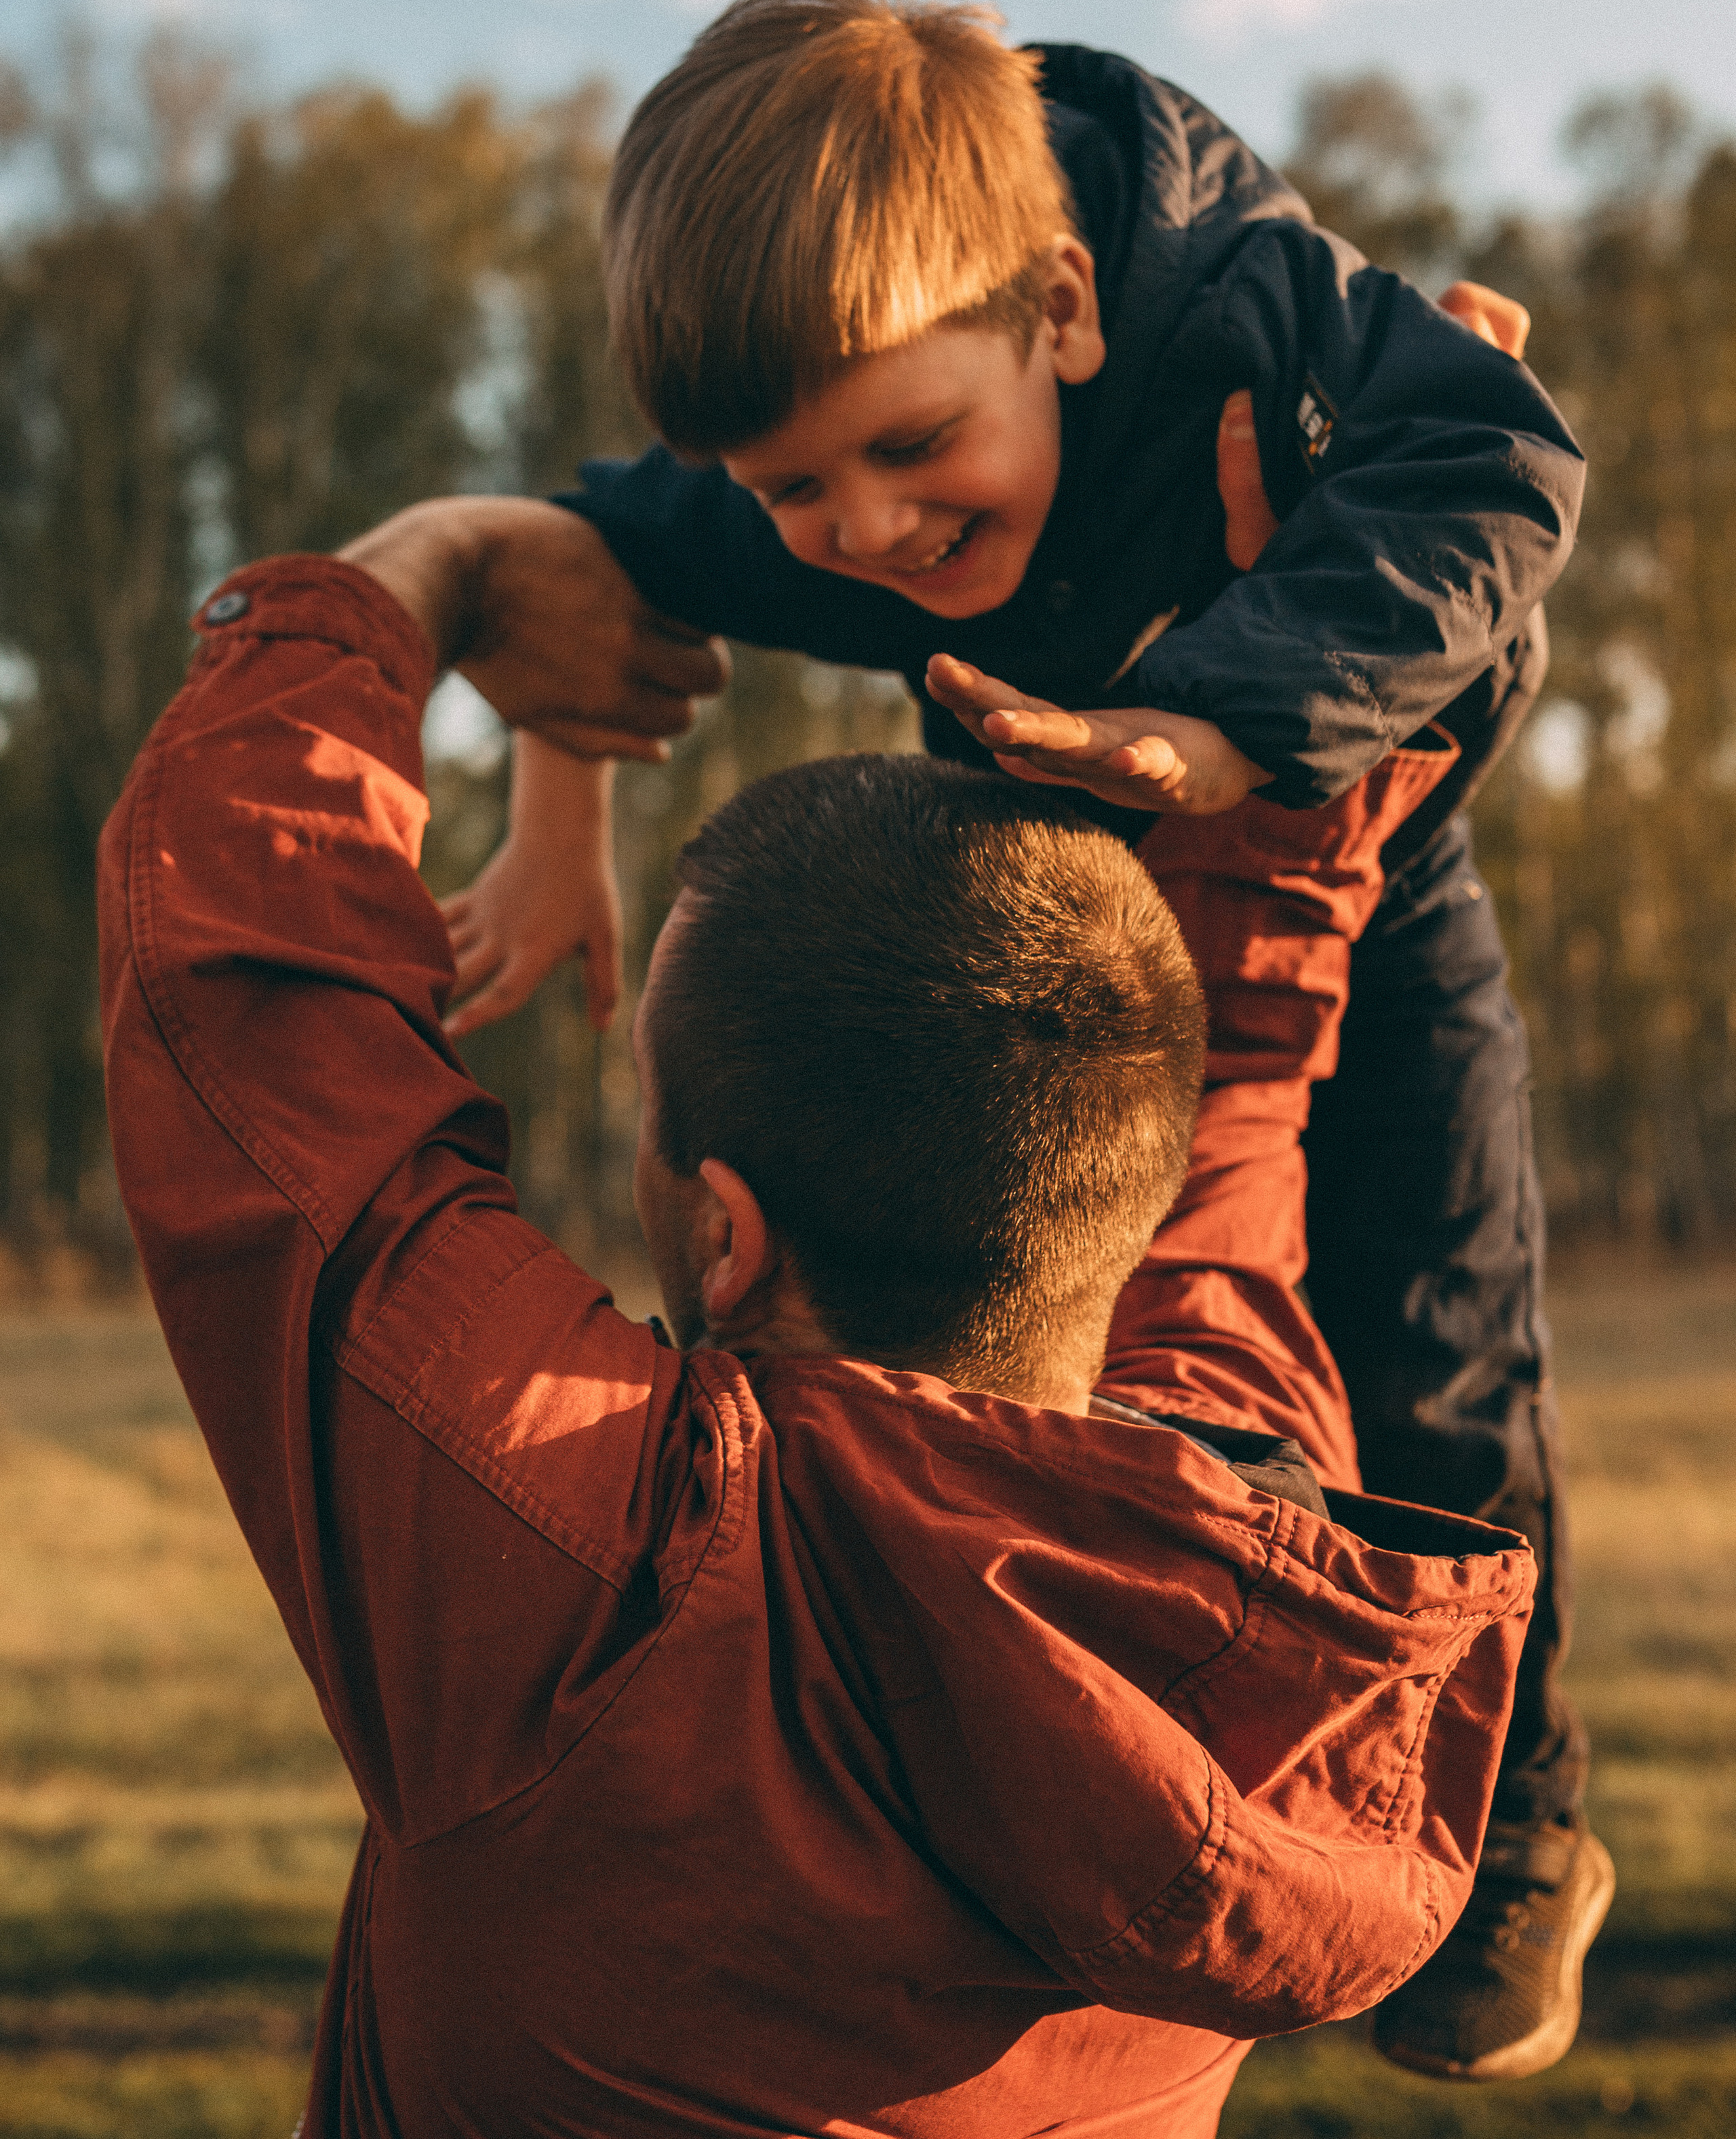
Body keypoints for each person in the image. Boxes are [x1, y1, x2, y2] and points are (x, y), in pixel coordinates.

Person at [434, 0, 1598, 2078]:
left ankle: (1511, 1845)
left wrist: (1224, 730)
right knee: (1043, 1345)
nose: (864, 533)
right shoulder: (842, 448)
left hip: (1360, 833)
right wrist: (554, 826)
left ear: (1058, 313)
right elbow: (593, 562)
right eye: (798, 496)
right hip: (1063, 895)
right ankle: (1083, 1752)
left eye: (909, 451)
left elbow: (1505, 471)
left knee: (1430, 1313)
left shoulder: (1243, 319)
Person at [97, 501, 1547, 2139]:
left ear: (727, 1234)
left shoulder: (575, 1583)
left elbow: (238, 1004)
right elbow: (1246, 1075)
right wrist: (1326, 615)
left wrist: (421, 570)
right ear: (1113, 1195)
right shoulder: (1258, 1536)